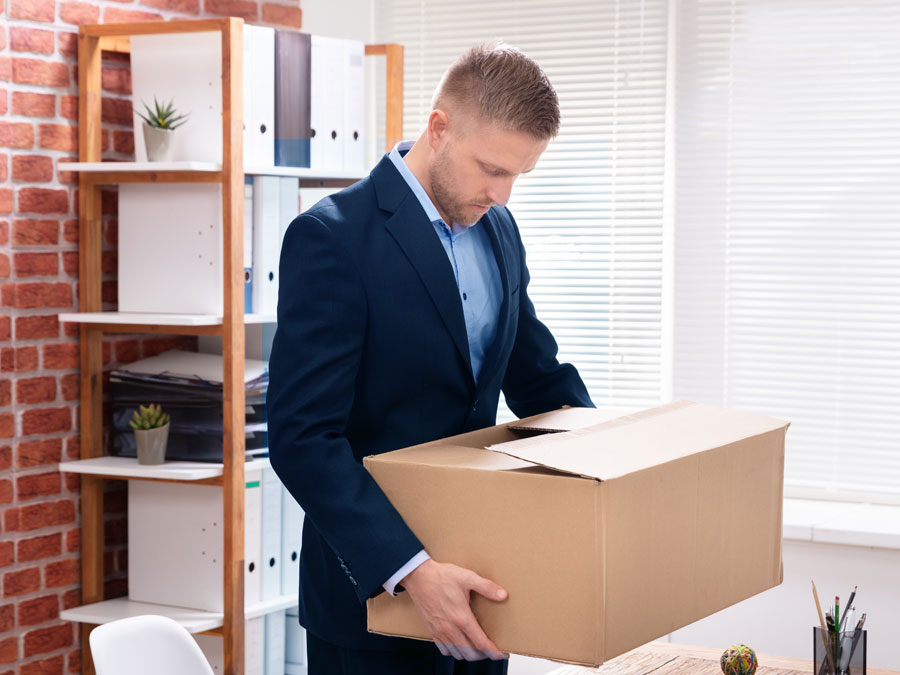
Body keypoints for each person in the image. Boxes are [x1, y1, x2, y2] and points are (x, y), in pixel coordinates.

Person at [266, 43, 593, 675]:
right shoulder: (332, 237)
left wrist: (610, 464)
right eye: (491, 169)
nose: (502, 194)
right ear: (439, 127)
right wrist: (409, 569)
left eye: (518, 176)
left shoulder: (499, 228)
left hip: (485, 586)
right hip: (374, 599)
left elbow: (536, 376)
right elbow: (303, 437)